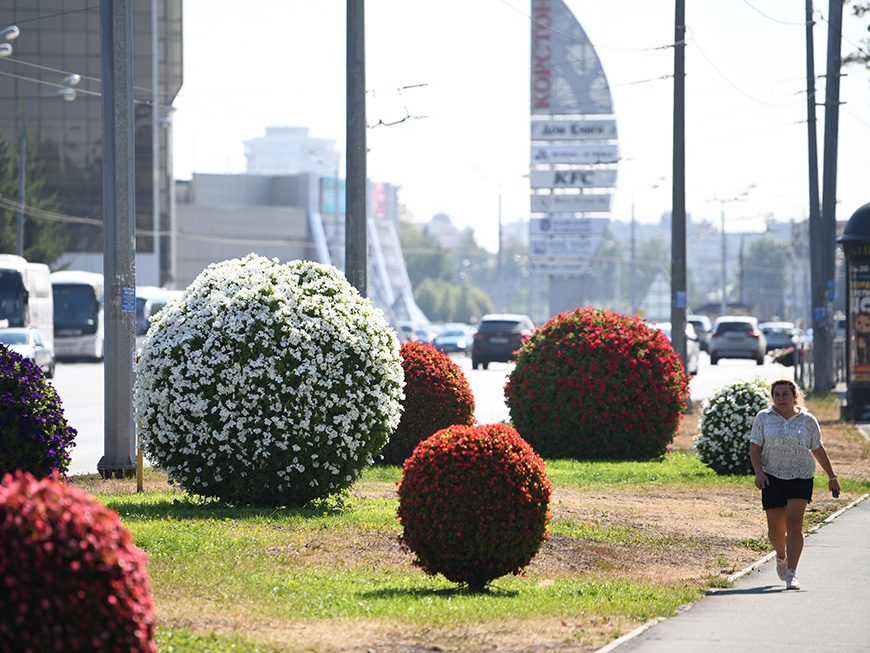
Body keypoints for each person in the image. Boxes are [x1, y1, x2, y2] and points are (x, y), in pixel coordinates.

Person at [749, 378, 840, 590]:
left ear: (794, 396)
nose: (781, 399)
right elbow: (755, 448)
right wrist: (759, 473)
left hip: (801, 476)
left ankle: (792, 572)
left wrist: (832, 476)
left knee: (794, 523)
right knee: (775, 532)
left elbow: (818, 449)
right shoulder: (764, 418)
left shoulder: (807, 420)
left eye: (785, 394)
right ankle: (781, 556)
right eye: (777, 395)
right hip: (772, 477)